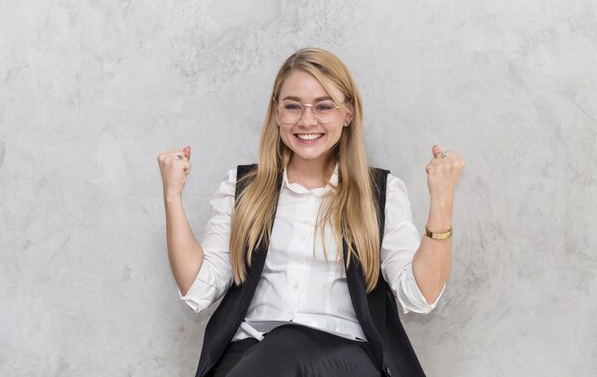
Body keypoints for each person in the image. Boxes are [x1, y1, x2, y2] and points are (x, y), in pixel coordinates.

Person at [157, 48, 465, 377]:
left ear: (347, 113)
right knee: (275, 350)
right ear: (276, 112)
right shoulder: (243, 188)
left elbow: (420, 295)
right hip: (252, 352)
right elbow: (199, 288)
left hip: (347, 355)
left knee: (287, 343)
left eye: (323, 106)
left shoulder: (379, 193)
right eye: (293, 106)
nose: (306, 120)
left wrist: (442, 200)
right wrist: (172, 196)